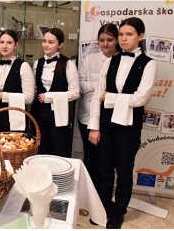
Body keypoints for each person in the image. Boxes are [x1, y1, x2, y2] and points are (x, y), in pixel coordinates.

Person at [87, 17, 156, 229]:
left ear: (140, 36)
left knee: (124, 171)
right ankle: (104, 207)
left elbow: (140, 98)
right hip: (106, 125)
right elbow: (97, 96)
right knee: (104, 169)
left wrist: (109, 97)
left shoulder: (149, 64)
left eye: (129, 34)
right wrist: (94, 127)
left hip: (129, 127)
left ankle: (119, 211)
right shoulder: (110, 61)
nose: (124, 39)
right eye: (121, 35)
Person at [78, 23, 119, 187]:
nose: (105, 44)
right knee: (90, 156)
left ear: (116, 40)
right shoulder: (90, 59)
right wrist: (100, 86)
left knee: (106, 160)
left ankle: (103, 193)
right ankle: (89, 190)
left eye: (110, 40)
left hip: (110, 118)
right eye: (102, 40)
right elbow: (80, 86)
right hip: (86, 116)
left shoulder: (121, 60)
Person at [31, 28, 79, 157]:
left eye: (51, 42)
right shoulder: (37, 63)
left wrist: (50, 97)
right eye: (44, 41)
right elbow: (35, 88)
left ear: (60, 45)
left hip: (59, 117)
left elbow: (75, 93)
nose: (46, 45)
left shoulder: (68, 64)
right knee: (40, 152)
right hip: (39, 116)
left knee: (59, 151)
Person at [0, 30, 35, 133]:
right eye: (2, 42)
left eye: (9, 43)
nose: (4, 46)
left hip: (16, 119)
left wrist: (3, 96)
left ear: (16, 45)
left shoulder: (24, 66)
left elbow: (29, 98)